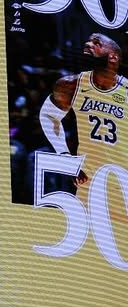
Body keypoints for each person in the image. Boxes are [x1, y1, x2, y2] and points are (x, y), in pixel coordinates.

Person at [39, 32, 125, 202]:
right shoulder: (71, 85)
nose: (88, 44)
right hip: (90, 183)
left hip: (123, 183)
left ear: (113, 57)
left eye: (96, 42)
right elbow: (48, 116)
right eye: (88, 40)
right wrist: (65, 156)